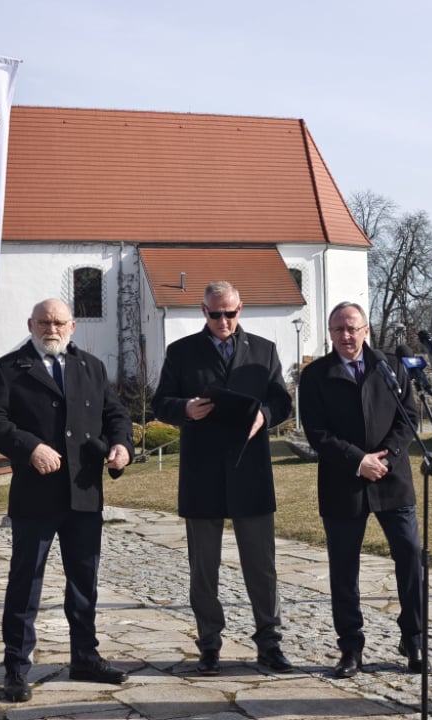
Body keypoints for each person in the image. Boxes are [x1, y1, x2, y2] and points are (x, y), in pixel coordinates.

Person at [0, 298, 134, 703]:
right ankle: (16, 668)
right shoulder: (8, 370)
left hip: (84, 493)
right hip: (36, 496)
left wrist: (121, 445)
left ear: (73, 326)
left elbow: (116, 414)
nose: (52, 329)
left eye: (59, 322)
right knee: (25, 583)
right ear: (31, 323)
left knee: (84, 582)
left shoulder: (90, 367)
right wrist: (29, 447)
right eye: (44, 322)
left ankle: (85, 657)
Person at [152, 281, 294, 676]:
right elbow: (160, 402)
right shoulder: (180, 353)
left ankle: (270, 644)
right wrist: (185, 409)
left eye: (230, 313)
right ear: (203, 312)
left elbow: (282, 399)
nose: (224, 321)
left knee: (262, 568)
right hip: (202, 475)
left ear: (240, 308)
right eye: (216, 314)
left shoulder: (264, 350)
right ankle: (209, 645)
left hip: (251, 473)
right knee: (204, 569)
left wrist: (266, 415)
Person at [298, 301, 425, 678]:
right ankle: (350, 647)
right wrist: (358, 460)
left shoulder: (390, 366)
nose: (346, 335)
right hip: (343, 482)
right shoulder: (317, 375)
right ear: (329, 333)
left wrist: (387, 456)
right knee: (344, 569)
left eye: (353, 328)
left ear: (367, 329)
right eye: (338, 329)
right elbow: (317, 433)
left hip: (392, 478)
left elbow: (410, 418)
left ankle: (414, 638)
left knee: (410, 555)